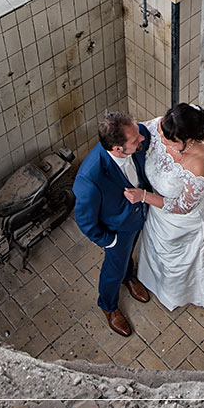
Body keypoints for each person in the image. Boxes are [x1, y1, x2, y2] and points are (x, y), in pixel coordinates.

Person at [122, 103, 204, 312]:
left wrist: (143, 196)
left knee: (181, 262)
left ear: (187, 139)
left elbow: (183, 206)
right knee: (157, 252)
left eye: (170, 140)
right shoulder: (162, 127)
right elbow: (136, 133)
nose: (162, 139)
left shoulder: (199, 162)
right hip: (158, 214)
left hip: (185, 219)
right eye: (162, 133)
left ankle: (186, 293)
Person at [72, 110, 155, 337]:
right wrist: (109, 240)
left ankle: (129, 277)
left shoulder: (137, 136)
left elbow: (150, 130)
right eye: (135, 139)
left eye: (137, 132)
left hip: (138, 216)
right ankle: (108, 305)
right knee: (113, 269)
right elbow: (85, 220)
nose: (142, 139)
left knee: (128, 256)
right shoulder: (90, 178)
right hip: (117, 230)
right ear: (118, 149)